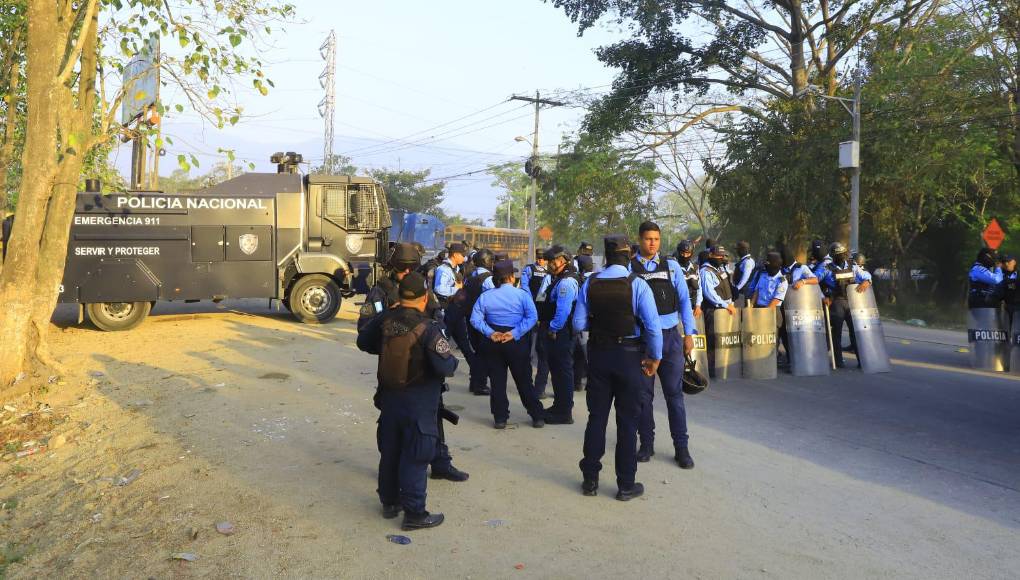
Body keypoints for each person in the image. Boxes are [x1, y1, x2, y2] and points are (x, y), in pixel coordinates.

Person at [357, 243, 469, 483]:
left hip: (426, 367)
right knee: (393, 429)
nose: (407, 273)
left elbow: (438, 319)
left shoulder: (421, 286)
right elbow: (365, 330)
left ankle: (440, 462)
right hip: (396, 370)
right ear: (392, 267)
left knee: (433, 417)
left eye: (411, 268)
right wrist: (393, 336)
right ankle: (393, 476)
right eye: (402, 269)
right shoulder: (381, 291)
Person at [356, 271, 456, 530]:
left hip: (389, 400)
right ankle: (415, 514)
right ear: (424, 298)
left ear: (399, 297)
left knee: (390, 452)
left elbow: (363, 342)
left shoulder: (385, 320)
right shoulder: (429, 328)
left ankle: (389, 502)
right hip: (419, 404)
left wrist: (384, 318)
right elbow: (446, 366)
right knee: (415, 457)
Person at [572, 234, 662, 500]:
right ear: (629, 255)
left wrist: (599, 324)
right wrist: (655, 358)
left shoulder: (590, 283)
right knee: (627, 422)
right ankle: (625, 485)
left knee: (596, 418)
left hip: (599, 356)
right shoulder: (638, 285)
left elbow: (578, 324)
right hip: (629, 357)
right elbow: (653, 328)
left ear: (606, 257)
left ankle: (590, 481)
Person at [630, 222, 698, 468]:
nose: (652, 243)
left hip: (670, 338)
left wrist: (689, 333)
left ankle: (682, 448)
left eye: (656, 239)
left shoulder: (671, 266)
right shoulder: (630, 268)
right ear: (640, 239)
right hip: (642, 340)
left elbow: (684, 300)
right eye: (648, 239)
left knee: (674, 395)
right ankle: (646, 444)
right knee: (643, 396)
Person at [470, 260, 546, 429]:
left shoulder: (486, 296)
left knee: (497, 381)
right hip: (516, 342)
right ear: (512, 277)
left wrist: (490, 333)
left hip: (494, 340)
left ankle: (500, 418)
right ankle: (537, 416)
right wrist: (515, 333)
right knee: (524, 380)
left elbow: (475, 319)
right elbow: (532, 317)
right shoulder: (522, 295)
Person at [434, 243, 489, 395]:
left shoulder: (457, 269)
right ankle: (435, 383)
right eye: (462, 255)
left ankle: (477, 383)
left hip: (456, 313)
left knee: (466, 349)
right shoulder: (443, 269)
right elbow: (439, 289)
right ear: (455, 254)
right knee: (439, 348)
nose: (464, 258)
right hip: (445, 314)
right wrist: (457, 289)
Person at [537, 245, 581, 424]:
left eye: (553, 261)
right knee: (556, 370)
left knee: (562, 371)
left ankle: (564, 412)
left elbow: (563, 311)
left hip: (559, 333)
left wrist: (553, 328)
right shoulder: (559, 279)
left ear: (564, 261)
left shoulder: (566, 282)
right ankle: (559, 406)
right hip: (557, 332)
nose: (550, 264)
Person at [820, 242, 873, 368]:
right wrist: (823, 297)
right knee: (836, 333)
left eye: (843, 254)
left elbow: (866, 275)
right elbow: (814, 282)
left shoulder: (853, 266)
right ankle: (838, 361)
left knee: (856, 332)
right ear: (832, 256)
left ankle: (862, 361)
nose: (841, 256)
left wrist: (867, 281)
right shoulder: (826, 269)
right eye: (838, 255)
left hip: (853, 302)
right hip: (836, 302)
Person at [462, 249, 496, 395]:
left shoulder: (470, 276)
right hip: (483, 319)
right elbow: (494, 298)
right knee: (484, 353)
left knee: (477, 351)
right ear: (487, 261)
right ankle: (480, 385)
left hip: (470, 317)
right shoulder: (488, 279)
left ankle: (474, 382)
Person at [521, 248, 552, 398]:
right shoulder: (529, 269)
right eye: (539, 257)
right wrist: (530, 300)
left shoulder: (550, 271)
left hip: (543, 307)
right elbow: (524, 285)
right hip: (532, 304)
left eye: (543, 258)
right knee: (530, 338)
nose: (540, 260)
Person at [573, 254, 595, 392]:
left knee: (580, 355)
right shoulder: (599, 278)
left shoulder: (580, 280)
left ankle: (578, 383)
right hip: (598, 323)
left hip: (583, 324)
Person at [676, 240, 703, 319]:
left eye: (688, 253)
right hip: (678, 310)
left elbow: (699, 288)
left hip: (693, 308)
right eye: (682, 253)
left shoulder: (695, 268)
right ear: (679, 252)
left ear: (691, 253)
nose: (685, 256)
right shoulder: (673, 267)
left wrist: (698, 305)